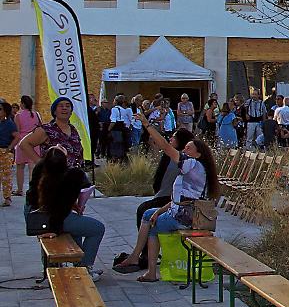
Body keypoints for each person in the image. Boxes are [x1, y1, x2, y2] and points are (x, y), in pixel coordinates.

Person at [115, 111, 220, 282]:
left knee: (152, 225)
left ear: (197, 154)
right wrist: (159, 211)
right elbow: (179, 199)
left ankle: (147, 269)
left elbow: (165, 146)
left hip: (186, 217)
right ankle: (138, 258)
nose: (184, 150)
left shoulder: (193, 164)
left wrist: (146, 124)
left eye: (188, 148)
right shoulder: (193, 166)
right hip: (182, 211)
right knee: (149, 214)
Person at [115, 128, 196, 274]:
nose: (171, 140)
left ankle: (143, 258)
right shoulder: (184, 161)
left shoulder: (185, 161)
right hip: (171, 201)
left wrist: (146, 125)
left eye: (173, 138)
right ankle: (144, 260)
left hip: (179, 207)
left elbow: (164, 151)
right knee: (148, 214)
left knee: (146, 214)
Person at [26, 147, 106, 280]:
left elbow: (39, 198)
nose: (60, 145)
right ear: (66, 162)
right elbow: (61, 210)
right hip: (54, 220)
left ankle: (78, 263)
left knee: (77, 226)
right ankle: (84, 269)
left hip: (40, 217)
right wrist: (54, 230)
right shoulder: (74, 175)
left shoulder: (41, 168)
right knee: (97, 228)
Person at [18, 96, 87, 171]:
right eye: (60, 106)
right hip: (54, 176)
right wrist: (41, 163)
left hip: (74, 175)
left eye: (68, 106)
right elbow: (24, 144)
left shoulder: (73, 129)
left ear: (71, 112)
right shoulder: (47, 130)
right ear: (54, 111)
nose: (64, 108)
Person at [13, 95, 42, 194]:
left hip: (22, 142)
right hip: (34, 142)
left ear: (22, 104)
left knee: (20, 167)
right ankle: (31, 189)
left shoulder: (18, 116)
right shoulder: (36, 114)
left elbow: (17, 130)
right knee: (32, 167)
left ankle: (19, 189)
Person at [0, 100, 17, 205]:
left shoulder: (9, 124)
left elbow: (17, 136)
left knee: (6, 175)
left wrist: (9, 148)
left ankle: (7, 197)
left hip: (4, 151)